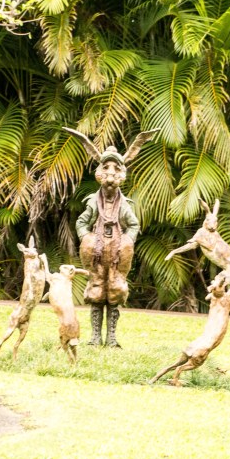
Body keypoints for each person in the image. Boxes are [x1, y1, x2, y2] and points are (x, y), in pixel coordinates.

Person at [62, 127, 158, 347]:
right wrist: (87, 239)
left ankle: (112, 337)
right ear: (100, 171)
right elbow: (81, 223)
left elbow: (133, 225)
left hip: (116, 256)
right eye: (106, 167)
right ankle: (95, 337)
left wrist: (126, 242)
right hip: (96, 255)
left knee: (115, 292)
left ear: (121, 173)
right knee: (97, 293)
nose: (111, 173)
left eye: (116, 168)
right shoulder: (92, 202)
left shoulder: (124, 205)